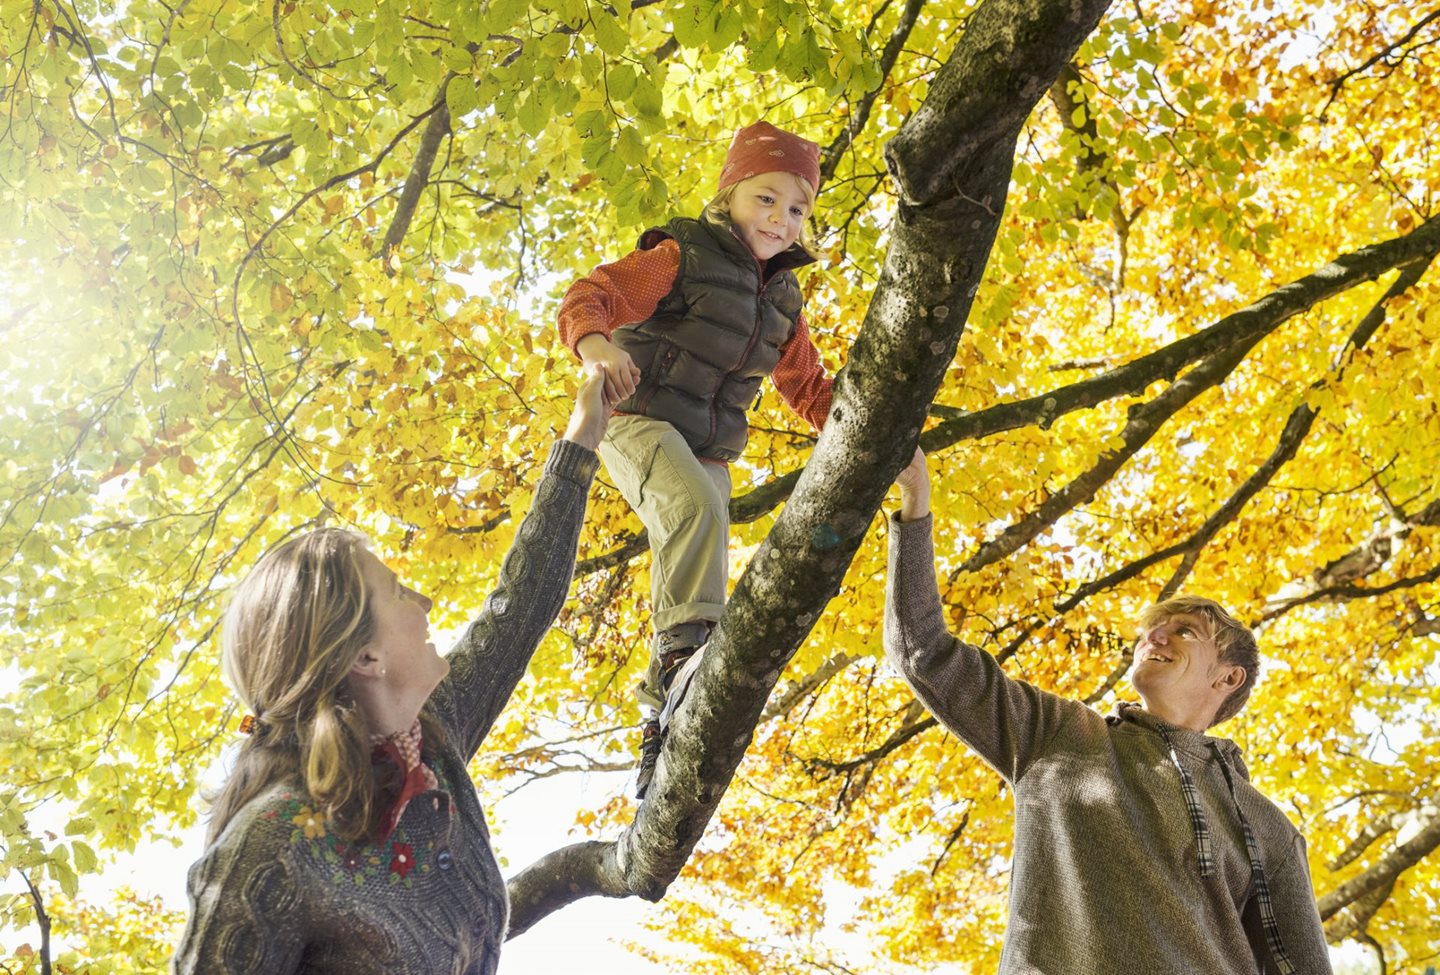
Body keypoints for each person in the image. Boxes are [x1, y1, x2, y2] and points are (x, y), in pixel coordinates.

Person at [172, 367, 611, 975]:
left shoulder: (432, 744)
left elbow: (522, 605)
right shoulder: (270, 844)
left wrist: (583, 435)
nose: (425, 604)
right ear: (365, 658)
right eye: (400, 592)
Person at [884, 449, 1333, 975]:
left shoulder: (1267, 827)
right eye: (1150, 632)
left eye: (1185, 631)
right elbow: (925, 654)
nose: (1155, 637)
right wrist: (916, 505)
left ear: (1228, 677)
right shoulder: (1058, 734)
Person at [557, 120, 836, 797]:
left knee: (707, 513)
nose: (780, 218)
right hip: (635, 415)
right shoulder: (683, 254)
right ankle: (684, 653)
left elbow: (806, 384)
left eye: (796, 209)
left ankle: (665, 712)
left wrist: (864, 424)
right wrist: (599, 349)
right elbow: (591, 294)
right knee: (691, 506)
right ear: (731, 194)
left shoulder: (783, 299)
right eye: (765, 199)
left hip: (706, 445)